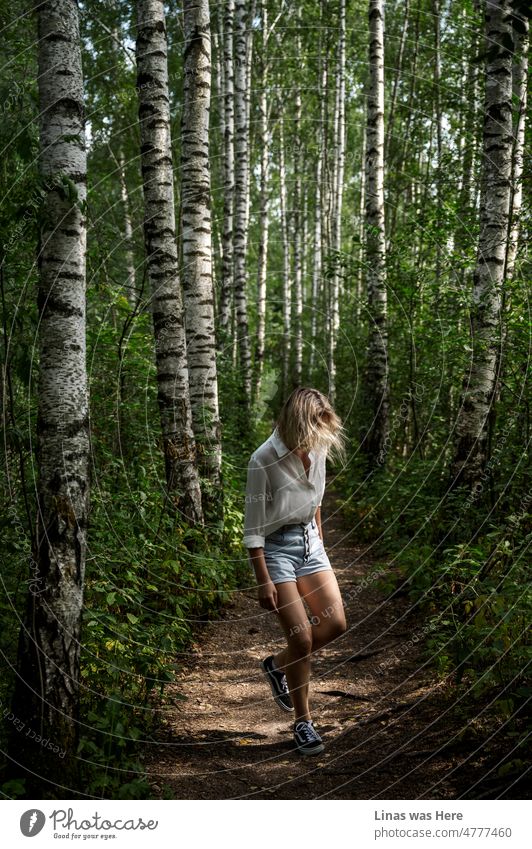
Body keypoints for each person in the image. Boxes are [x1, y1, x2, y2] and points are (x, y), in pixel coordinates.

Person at [243, 387, 348, 756]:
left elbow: (316, 502)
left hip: (311, 544)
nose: (319, 437)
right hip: (276, 549)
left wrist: (320, 545)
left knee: (335, 624)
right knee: (302, 639)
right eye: (313, 427)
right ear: (297, 421)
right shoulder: (263, 459)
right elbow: (253, 528)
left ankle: (277, 665)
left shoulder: (315, 447)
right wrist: (263, 579)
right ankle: (304, 724)